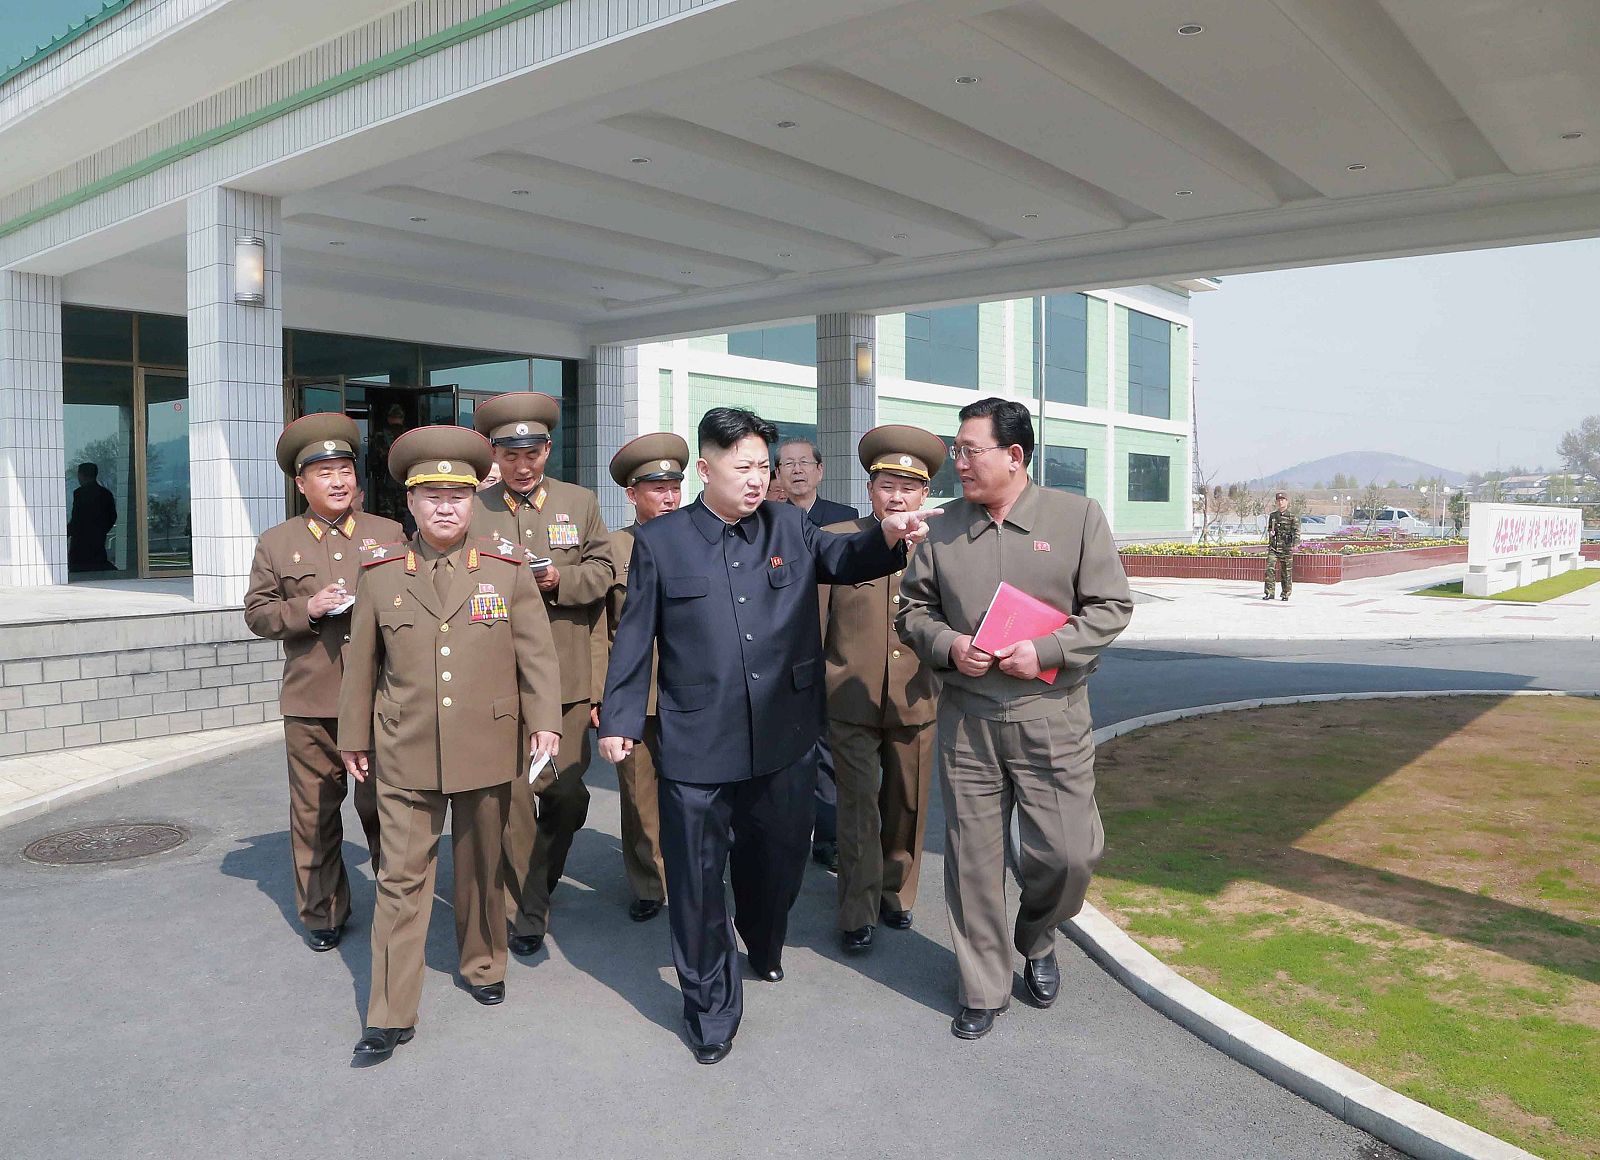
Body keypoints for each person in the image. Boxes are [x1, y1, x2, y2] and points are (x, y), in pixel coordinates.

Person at [599, 407, 936, 1065]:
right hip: (698, 741)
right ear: (706, 468)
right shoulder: (663, 543)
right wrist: (618, 720)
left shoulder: (788, 524)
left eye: (764, 467)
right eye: (743, 468)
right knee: (697, 882)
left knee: (776, 861)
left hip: (782, 738)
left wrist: (888, 533)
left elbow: (842, 554)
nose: (758, 481)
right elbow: (635, 635)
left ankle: (762, 937)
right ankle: (710, 1005)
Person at [897, 397, 1132, 1041]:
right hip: (968, 720)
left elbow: (1112, 606)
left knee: (1070, 853)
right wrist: (949, 647)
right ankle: (983, 986)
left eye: (971, 450)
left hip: (1050, 714)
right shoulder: (941, 529)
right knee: (974, 858)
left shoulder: (1077, 516)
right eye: (959, 448)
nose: (960, 461)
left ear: (1015, 456)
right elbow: (911, 612)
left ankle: (1037, 933)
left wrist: (1049, 651)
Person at [338, 426, 561, 1066]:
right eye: (430, 495)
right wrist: (353, 735)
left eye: (457, 496)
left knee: (482, 867)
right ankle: (389, 1012)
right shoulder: (380, 573)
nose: (445, 507)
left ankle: (484, 962)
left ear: (473, 501)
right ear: (409, 502)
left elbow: (536, 655)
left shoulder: (505, 567)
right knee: (400, 880)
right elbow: (362, 666)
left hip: (489, 742)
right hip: (405, 749)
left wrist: (545, 721)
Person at [244, 415, 401, 952]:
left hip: (383, 697)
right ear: (301, 483)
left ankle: (398, 901)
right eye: (324, 473)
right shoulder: (276, 542)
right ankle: (323, 911)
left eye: (344, 471)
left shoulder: (389, 533)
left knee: (386, 805)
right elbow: (258, 615)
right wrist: (305, 608)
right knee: (314, 810)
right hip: (312, 698)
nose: (338, 481)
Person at [469, 392, 614, 958]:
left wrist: (561, 579)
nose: (522, 465)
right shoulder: (475, 508)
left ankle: (540, 877)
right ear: (495, 455)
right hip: (498, 675)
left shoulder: (579, 504)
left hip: (568, 675)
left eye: (531, 453)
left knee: (566, 795)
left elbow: (605, 571)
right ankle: (527, 912)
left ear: (548, 450)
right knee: (511, 801)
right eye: (509, 454)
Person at [821, 425, 946, 952]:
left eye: (907, 487)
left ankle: (896, 893)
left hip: (916, 694)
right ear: (870, 489)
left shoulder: (943, 548)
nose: (896, 496)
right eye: (886, 485)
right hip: (848, 694)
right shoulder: (838, 539)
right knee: (855, 807)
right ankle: (856, 910)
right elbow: (815, 620)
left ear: (924, 494)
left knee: (907, 803)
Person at [598, 432, 689, 923]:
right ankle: (650, 883)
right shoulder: (612, 548)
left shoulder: (701, 537)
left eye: (674, 486)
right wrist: (603, 697)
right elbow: (599, 629)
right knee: (639, 794)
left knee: (695, 790)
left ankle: (693, 873)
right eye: (657, 489)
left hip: (695, 692)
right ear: (632, 495)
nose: (669, 497)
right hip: (638, 693)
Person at [775, 436, 859, 872]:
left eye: (804, 462)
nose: (797, 470)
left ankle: (827, 835)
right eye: (787, 464)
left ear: (820, 470)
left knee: (828, 748)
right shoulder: (767, 519)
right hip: (782, 651)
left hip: (832, 647)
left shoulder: (843, 520)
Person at [67, 462, 117, 572]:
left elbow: (77, 519)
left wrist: (67, 532)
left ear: (81, 475)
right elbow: (112, 516)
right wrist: (101, 530)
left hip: (80, 544)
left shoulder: (80, 494)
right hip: (98, 541)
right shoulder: (106, 494)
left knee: (79, 571)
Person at [1264, 491, 1300, 601]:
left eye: (1282, 500)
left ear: (1287, 502)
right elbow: (1270, 529)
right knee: (1270, 568)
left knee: (1286, 571)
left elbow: (1296, 532)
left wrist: (1295, 544)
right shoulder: (1273, 516)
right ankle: (1269, 592)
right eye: (1278, 500)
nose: (1280, 502)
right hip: (1274, 547)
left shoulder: (1292, 517)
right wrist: (1271, 533)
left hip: (1286, 547)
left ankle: (1285, 593)